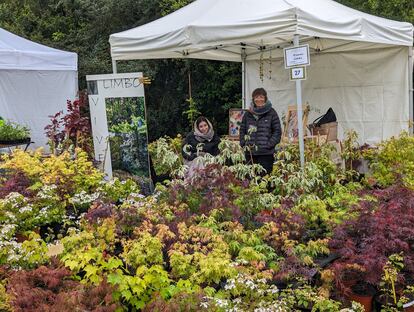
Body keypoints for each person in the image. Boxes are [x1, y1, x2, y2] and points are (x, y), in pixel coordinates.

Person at [239, 88, 281, 174]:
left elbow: (277, 131)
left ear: (265, 98)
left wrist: (269, 144)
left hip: (266, 153)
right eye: (256, 97)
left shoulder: (271, 112)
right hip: (250, 153)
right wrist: (244, 143)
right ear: (253, 99)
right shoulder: (248, 114)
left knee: (265, 179)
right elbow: (242, 130)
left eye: (261, 97)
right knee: (251, 178)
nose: (259, 99)